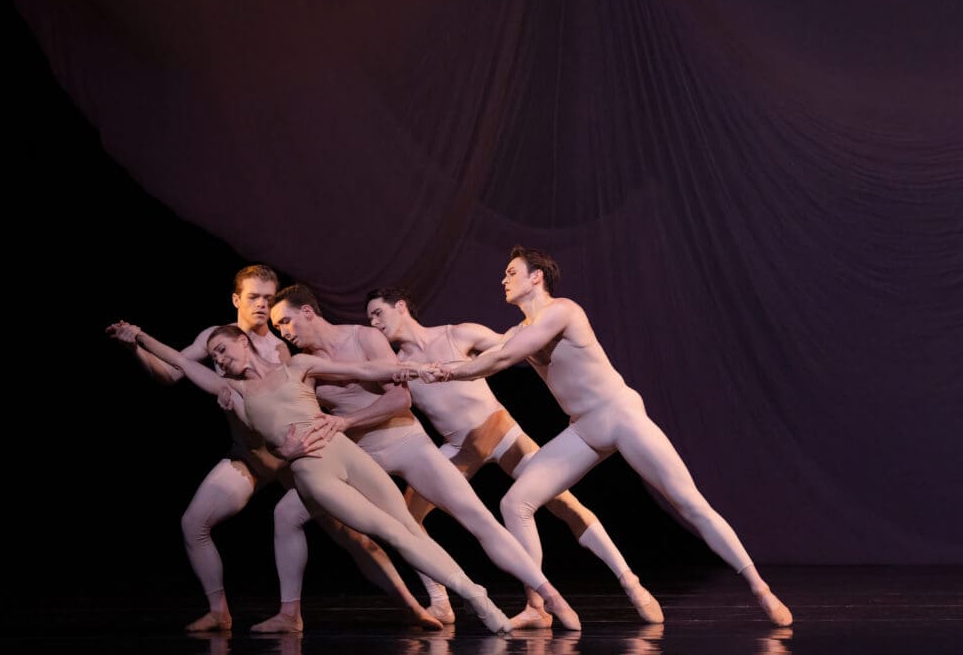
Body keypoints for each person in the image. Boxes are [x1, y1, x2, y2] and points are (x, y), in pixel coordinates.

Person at [418, 245, 794, 627]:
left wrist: (447, 374)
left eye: (512, 272)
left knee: (688, 502)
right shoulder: (518, 331)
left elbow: (498, 361)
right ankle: (537, 606)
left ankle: (760, 588)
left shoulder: (563, 311)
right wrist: (425, 368)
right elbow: (488, 355)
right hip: (583, 430)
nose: (504, 279)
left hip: (618, 413)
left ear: (536, 277)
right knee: (515, 502)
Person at [106, 319, 515, 635]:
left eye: (223, 349)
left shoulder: (298, 366)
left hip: (347, 454)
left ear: (243, 341)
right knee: (389, 533)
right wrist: (139, 336)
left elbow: (361, 367)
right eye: (213, 355)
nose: (220, 359)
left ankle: (475, 594)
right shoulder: (233, 392)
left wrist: (417, 370)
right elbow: (178, 361)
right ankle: (475, 598)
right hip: (314, 474)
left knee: (411, 528)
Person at [269, 284, 581, 631]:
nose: (283, 331)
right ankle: (291, 614)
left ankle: (550, 596)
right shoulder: (302, 365)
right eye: (278, 327)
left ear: (308, 312)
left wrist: (346, 421)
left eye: (285, 321)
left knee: (477, 517)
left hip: (407, 441)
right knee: (287, 514)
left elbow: (399, 400)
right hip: (361, 457)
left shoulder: (363, 338)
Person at [364, 287, 663, 628]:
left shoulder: (457, 333)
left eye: (378, 313)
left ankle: (630, 582)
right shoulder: (398, 366)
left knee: (564, 504)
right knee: (406, 516)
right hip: (459, 448)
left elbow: (514, 349)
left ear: (401, 306)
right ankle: (441, 602)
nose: (374, 323)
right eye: (369, 318)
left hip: (500, 432)